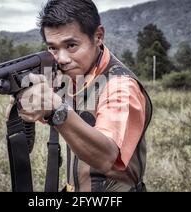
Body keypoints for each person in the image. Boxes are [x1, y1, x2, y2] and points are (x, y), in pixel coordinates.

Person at [9, 0, 152, 192]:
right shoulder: (71, 76)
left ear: (98, 36)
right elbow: (43, 115)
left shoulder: (121, 86)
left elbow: (106, 157)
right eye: (53, 48)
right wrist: (26, 100)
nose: (62, 59)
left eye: (71, 45)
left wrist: (55, 109)